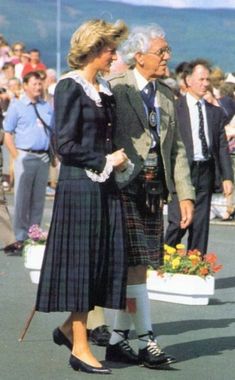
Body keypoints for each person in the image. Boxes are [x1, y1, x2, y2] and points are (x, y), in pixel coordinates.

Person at [35, 19, 129, 374]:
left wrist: (115, 161)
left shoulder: (103, 89)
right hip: (78, 186)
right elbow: (64, 144)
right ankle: (79, 346)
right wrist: (104, 159)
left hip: (102, 185)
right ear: (92, 49)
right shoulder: (69, 86)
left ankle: (66, 329)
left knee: (99, 262)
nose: (115, 56)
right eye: (110, 50)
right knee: (82, 265)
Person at [106, 24, 195, 369]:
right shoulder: (116, 89)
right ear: (138, 56)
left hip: (153, 192)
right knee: (135, 268)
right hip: (123, 189)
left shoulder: (167, 96)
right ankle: (146, 340)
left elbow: (178, 151)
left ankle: (117, 341)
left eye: (167, 50)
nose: (167, 57)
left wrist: (185, 195)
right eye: (161, 51)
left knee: (138, 267)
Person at [165, 59, 234, 254]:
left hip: (205, 171)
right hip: (182, 171)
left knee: (200, 225)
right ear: (188, 80)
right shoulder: (175, 109)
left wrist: (227, 177)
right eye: (201, 79)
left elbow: (222, 147)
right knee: (179, 221)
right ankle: (163, 261)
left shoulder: (215, 112)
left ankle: (196, 266)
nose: (205, 83)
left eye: (207, 79)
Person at [3, 71, 53, 247]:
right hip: (25, 155)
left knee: (38, 199)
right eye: (34, 84)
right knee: (22, 199)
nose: (38, 87)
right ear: (25, 86)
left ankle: (35, 234)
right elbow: (7, 133)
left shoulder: (46, 106)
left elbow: (52, 130)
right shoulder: (17, 106)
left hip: (43, 156)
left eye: (40, 84)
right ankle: (19, 235)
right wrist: (16, 156)